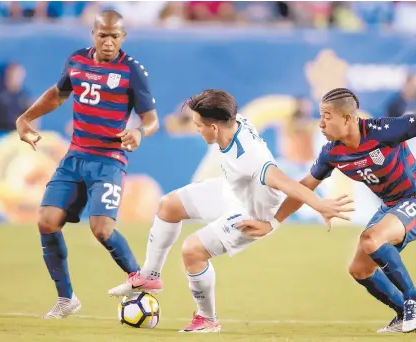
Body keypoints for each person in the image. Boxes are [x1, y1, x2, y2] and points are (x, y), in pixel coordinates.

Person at [235, 88, 416, 333]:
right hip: (392, 206)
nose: (320, 124)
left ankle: (414, 301)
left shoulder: (385, 130)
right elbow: (304, 187)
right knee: (359, 269)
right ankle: (404, 314)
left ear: (347, 118)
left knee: (371, 239)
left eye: (326, 117)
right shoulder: (332, 152)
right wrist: (274, 222)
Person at [108, 89, 354, 333]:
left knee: (192, 250)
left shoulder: (250, 157)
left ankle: (207, 319)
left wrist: (316, 206)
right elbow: (217, 101)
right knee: (168, 205)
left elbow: (288, 184)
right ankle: (150, 275)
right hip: (232, 192)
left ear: (214, 128)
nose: (196, 129)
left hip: (253, 214)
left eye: (198, 125)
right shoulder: (234, 120)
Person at [14, 10, 159, 319]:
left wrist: (138, 132)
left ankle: (140, 276)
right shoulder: (77, 60)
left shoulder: (133, 71)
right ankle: (66, 298)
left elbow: (152, 120)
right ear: (93, 34)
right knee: (46, 221)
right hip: (75, 156)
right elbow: (57, 95)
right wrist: (26, 117)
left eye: (114, 36)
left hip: (108, 160)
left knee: (102, 230)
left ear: (124, 37)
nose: (108, 42)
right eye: (102, 35)